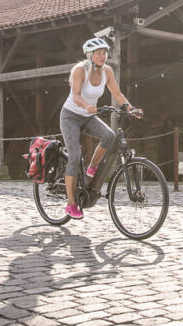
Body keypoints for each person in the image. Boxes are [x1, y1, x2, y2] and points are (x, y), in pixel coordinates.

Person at [60, 36, 141, 220]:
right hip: (71, 116)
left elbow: (117, 93)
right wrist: (86, 105)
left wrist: (130, 108)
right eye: (99, 53)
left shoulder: (107, 72)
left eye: (104, 53)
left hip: (88, 116)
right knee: (74, 156)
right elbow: (75, 96)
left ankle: (92, 167)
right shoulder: (80, 70)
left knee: (109, 136)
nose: (103, 56)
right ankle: (71, 204)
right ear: (90, 55)